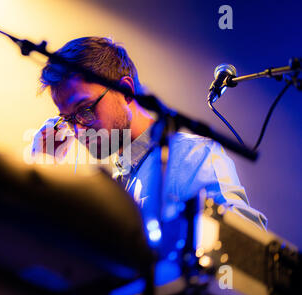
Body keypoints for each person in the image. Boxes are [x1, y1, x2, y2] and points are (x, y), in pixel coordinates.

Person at [31, 37, 267, 233]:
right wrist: (44, 173)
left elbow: (247, 247)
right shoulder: (114, 185)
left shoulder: (191, 156)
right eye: (69, 119)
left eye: (85, 110)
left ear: (126, 91)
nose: (78, 130)